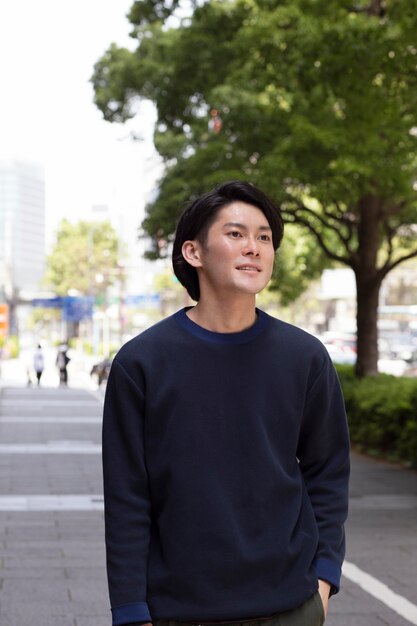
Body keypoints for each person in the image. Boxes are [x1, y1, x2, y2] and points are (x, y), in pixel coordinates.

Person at [102, 181, 350, 626]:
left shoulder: (305, 358)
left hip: (292, 606)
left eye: (264, 237)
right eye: (235, 234)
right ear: (193, 253)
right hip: (178, 611)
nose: (253, 247)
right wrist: (129, 609)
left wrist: (324, 579)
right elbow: (126, 498)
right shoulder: (141, 363)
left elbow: (328, 470)